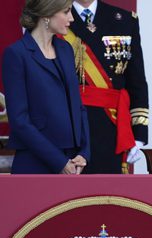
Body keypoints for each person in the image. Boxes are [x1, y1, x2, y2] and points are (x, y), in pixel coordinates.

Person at [2, 0, 90, 174]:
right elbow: (20, 120)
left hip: (72, 161)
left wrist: (84, 153)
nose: (71, 18)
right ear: (46, 15)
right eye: (66, 12)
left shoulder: (65, 49)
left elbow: (78, 106)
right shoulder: (17, 54)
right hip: (34, 162)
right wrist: (59, 162)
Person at [61, 0, 149, 174]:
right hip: (69, 123)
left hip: (111, 126)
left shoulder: (124, 19)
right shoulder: (55, 16)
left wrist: (138, 134)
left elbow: (136, 80)